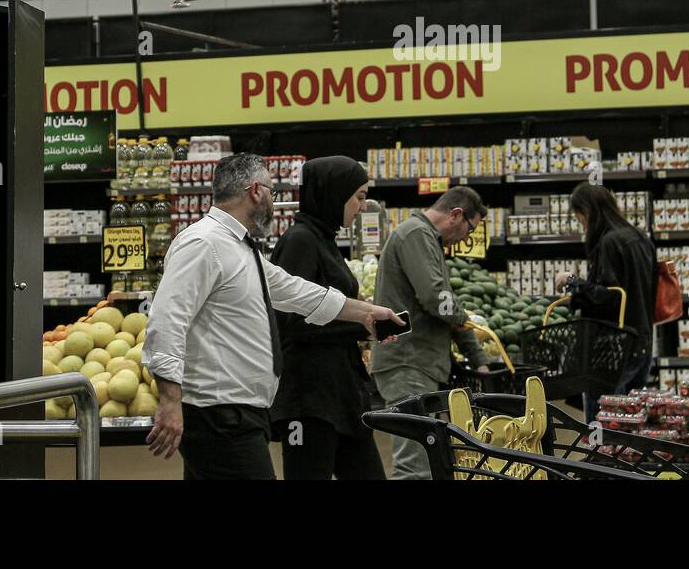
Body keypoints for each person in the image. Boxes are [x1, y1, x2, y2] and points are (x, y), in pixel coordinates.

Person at [142, 153, 402, 479]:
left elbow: (294, 290)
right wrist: (169, 401)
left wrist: (365, 314)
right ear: (255, 190)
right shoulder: (202, 243)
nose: (273, 201)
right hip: (219, 414)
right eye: (272, 192)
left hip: (239, 412)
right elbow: (166, 321)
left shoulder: (239, 246)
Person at [269, 156, 386, 480]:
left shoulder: (324, 239)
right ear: (334, 193)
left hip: (342, 395)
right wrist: (359, 323)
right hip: (309, 401)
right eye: (359, 197)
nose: (362, 207)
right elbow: (289, 320)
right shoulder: (299, 241)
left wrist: (364, 322)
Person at [370, 186, 493, 480]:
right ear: (455, 215)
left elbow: (444, 305)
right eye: (470, 229)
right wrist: (466, 318)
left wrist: (479, 359)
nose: (466, 238)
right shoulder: (416, 234)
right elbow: (435, 296)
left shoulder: (428, 241)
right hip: (407, 362)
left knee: (427, 462)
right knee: (414, 467)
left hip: (419, 363)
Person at [555, 183, 658, 422]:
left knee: (606, 428)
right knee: (630, 426)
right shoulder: (640, 238)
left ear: (586, 212)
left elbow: (608, 297)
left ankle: (601, 460)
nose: (581, 223)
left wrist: (572, 281)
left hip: (612, 350)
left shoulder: (609, 242)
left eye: (579, 216)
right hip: (641, 342)